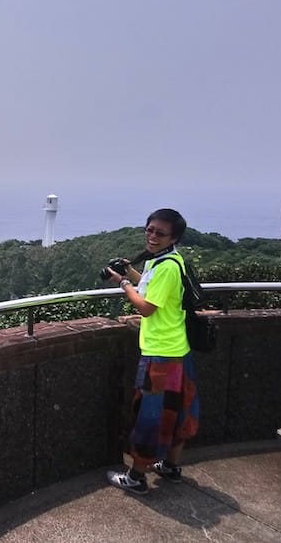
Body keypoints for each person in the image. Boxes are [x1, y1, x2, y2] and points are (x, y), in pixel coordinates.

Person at [102, 208, 199, 495]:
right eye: (149, 229)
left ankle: (136, 477)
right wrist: (131, 273)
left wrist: (122, 283)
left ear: (174, 237)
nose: (152, 236)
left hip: (161, 354)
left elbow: (145, 306)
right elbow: (149, 287)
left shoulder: (167, 267)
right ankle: (170, 466)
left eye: (160, 232)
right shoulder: (168, 261)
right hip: (177, 350)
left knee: (149, 416)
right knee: (176, 410)